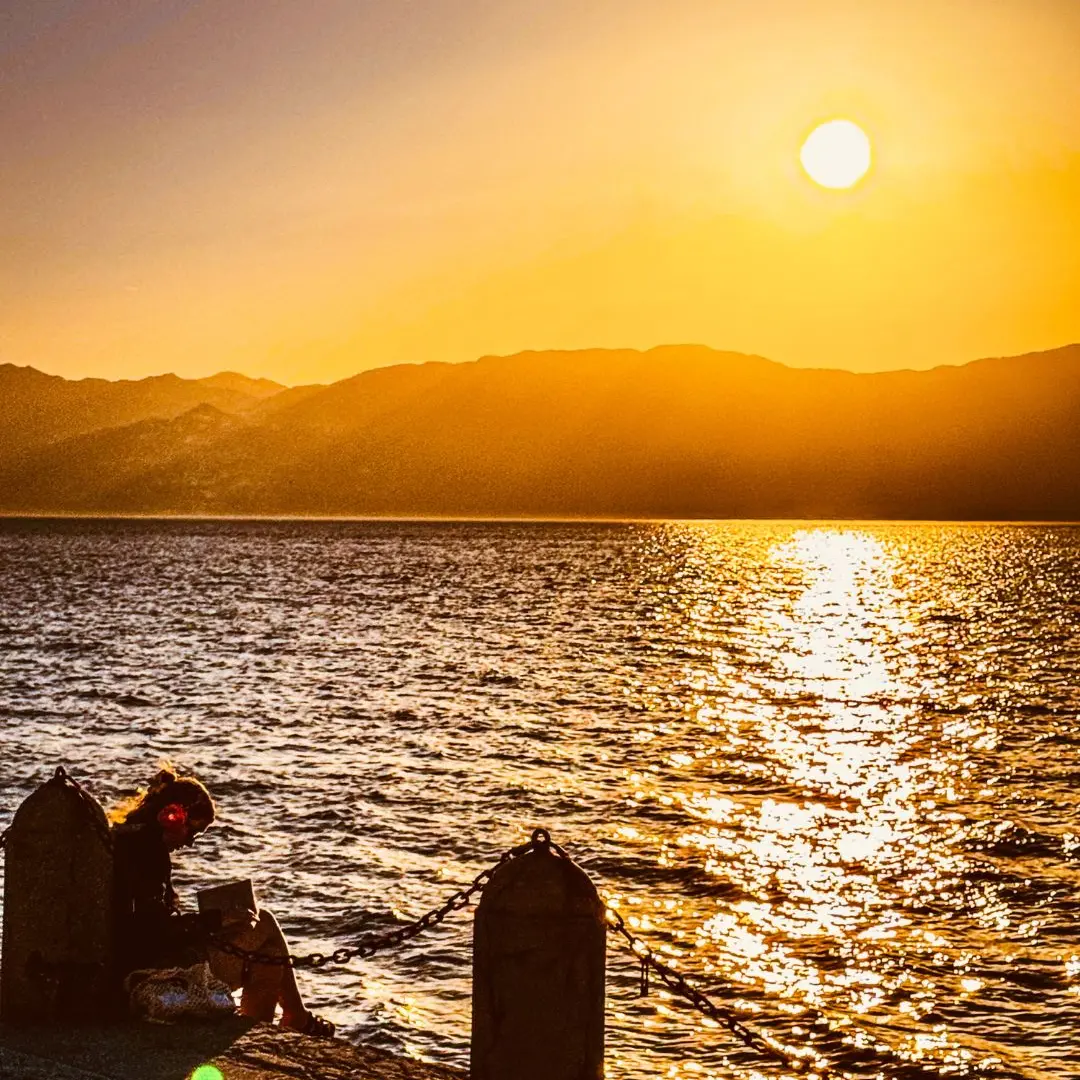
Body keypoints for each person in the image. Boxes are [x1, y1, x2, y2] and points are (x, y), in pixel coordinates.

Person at [111, 767, 334, 1037]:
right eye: (193, 832)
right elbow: (151, 931)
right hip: (154, 971)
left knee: (270, 956)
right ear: (174, 818)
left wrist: (215, 922)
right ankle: (291, 1019)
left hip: (143, 959)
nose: (191, 843)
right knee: (265, 927)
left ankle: (272, 1026)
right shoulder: (147, 852)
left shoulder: (130, 838)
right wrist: (217, 921)